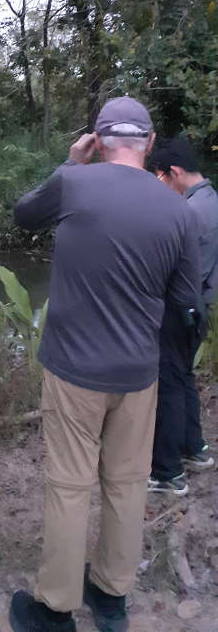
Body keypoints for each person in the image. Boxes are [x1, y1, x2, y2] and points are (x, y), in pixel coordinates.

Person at [9, 97, 201, 632]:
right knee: (127, 482)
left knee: (70, 486)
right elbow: (184, 301)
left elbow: (24, 215)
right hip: (139, 373)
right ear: (149, 141)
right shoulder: (178, 211)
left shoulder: (75, 182)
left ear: (96, 138)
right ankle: (112, 598)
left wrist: (72, 161)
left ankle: (55, 606)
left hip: (72, 370)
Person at [148, 136, 217, 496]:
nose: (159, 186)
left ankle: (166, 473)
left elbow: (167, 271)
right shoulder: (211, 201)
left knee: (169, 387)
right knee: (184, 379)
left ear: (173, 173)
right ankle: (194, 450)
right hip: (198, 310)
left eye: (159, 178)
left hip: (178, 312)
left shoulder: (187, 212)